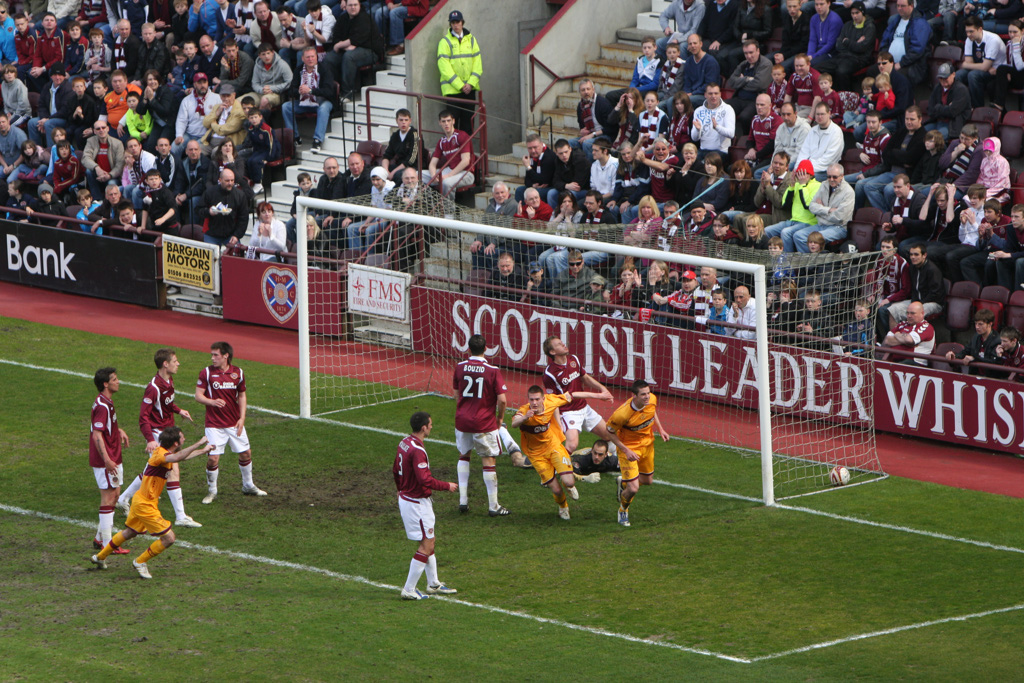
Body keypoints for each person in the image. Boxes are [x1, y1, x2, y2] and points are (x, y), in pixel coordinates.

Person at [91, 427, 213, 578]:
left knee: (130, 532)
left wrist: (203, 450)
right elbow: (178, 457)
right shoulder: (161, 455)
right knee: (169, 538)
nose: (184, 439)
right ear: (175, 443)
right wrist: (199, 443)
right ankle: (140, 561)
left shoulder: (164, 453)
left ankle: (100, 557)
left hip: (141, 500)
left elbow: (181, 457)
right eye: (182, 438)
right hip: (145, 504)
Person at [115, 348, 199, 528]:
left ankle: (122, 499)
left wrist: (179, 410)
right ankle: (180, 516)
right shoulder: (153, 388)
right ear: (165, 364)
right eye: (175, 361)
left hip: (168, 429)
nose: (178, 364)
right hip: (158, 433)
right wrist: (150, 439)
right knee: (172, 469)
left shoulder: (169, 381)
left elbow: (167, 403)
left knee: (152, 470)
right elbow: (143, 417)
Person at [511, 384, 611, 520]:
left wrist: (599, 396)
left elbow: (573, 395)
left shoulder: (551, 401)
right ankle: (563, 507)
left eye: (537, 399)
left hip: (554, 447)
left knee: (569, 482)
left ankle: (568, 486)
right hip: (536, 455)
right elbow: (514, 423)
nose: (534, 403)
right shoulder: (524, 411)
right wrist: (525, 418)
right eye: (531, 400)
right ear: (528, 400)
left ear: (543, 399)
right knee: (556, 490)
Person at [393, 411, 458, 600]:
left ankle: (433, 583)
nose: (431, 426)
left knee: (429, 540)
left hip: (408, 498)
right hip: (417, 503)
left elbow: (395, 469)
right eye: (430, 424)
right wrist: (447, 486)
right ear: (423, 428)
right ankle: (409, 589)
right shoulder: (417, 450)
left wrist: (399, 488)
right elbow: (424, 480)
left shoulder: (404, 443)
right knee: (426, 543)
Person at [194, 341, 267, 505]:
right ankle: (212, 491)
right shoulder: (206, 373)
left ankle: (248, 485)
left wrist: (242, 418)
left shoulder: (238, 373)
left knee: (246, 453)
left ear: (226, 356)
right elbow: (198, 395)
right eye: (212, 355)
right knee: (213, 459)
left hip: (234, 423)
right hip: (214, 424)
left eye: (216, 355)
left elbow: (242, 396)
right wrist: (212, 402)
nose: (212, 358)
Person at [453, 334, 509, 517]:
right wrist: (500, 418)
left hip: (462, 420)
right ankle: (493, 506)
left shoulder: (460, 367)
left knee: (464, 455)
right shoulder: (492, 370)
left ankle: (463, 501)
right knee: (488, 459)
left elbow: (456, 395)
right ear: (486, 348)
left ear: (469, 349)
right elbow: (502, 400)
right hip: (483, 422)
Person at [542, 335, 618, 457]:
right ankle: (555, 464)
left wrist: (602, 388)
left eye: (562, 342)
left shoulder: (574, 360)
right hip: (568, 412)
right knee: (572, 445)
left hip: (584, 407)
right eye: (559, 344)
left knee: (609, 434)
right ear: (552, 352)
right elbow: (553, 401)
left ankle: (616, 461)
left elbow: (585, 378)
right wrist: (559, 423)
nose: (563, 344)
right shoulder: (550, 374)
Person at [607, 380, 666, 528]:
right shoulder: (622, 414)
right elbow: (610, 432)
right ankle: (623, 510)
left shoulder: (652, 399)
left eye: (648, 393)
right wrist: (626, 450)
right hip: (629, 449)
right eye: (643, 394)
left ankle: (623, 483)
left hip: (647, 446)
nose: (647, 397)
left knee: (647, 481)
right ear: (634, 395)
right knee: (633, 489)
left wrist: (661, 429)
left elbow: (652, 412)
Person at [89, 366, 130, 554]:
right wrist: (106, 459)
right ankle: (107, 545)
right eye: (114, 379)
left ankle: (100, 538)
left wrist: (117, 430)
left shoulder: (106, 402)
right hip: (105, 459)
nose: (118, 381)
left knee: (115, 495)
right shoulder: (102, 406)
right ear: (105, 384)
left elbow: (103, 427)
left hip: (113, 454)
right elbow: (97, 434)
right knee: (108, 498)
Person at [325, 0, 382, 102]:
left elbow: (357, 39)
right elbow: (336, 37)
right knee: (329, 58)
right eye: (350, 5)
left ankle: (347, 93)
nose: (353, 7)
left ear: (359, 5)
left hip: (370, 51)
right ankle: (332, 91)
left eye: (355, 5)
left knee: (349, 57)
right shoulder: (343, 18)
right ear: (345, 6)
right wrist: (344, 46)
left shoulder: (365, 18)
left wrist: (339, 45)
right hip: (347, 50)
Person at [811, 1, 875, 91]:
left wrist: (847, 42)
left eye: (857, 13)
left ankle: (845, 96)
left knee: (841, 71)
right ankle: (825, 94)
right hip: (842, 56)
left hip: (859, 59)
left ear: (863, 13)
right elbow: (838, 45)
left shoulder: (869, 27)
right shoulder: (847, 25)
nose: (855, 16)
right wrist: (855, 43)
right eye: (852, 13)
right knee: (816, 68)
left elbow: (862, 48)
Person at [436, 9, 481, 134]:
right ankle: (454, 147)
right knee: (452, 127)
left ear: (462, 22)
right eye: (453, 23)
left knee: (468, 125)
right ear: (450, 24)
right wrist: (461, 85)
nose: (456, 25)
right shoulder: (444, 42)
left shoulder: (472, 40)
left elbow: (478, 64)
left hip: (469, 90)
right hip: (453, 91)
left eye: (458, 22)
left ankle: (467, 147)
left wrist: (470, 83)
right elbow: (444, 67)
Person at [875, 0, 932, 87]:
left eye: (902, 6)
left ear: (911, 6)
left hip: (911, 65)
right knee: (872, 71)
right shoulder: (895, 21)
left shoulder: (920, 23)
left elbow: (917, 50)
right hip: (891, 63)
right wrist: (885, 60)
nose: (899, 8)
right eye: (898, 6)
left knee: (895, 76)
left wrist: (901, 63)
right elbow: (885, 41)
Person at [421, 108, 475, 195]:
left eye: (448, 121)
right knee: (417, 174)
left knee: (446, 183)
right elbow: (433, 163)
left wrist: (448, 176)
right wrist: (433, 175)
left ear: (453, 121)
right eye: (443, 121)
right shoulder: (442, 141)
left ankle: (447, 204)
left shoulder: (462, 135)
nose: (446, 123)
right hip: (449, 170)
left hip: (466, 173)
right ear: (440, 123)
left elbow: (465, 161)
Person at [957, 16, 1005, 108]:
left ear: (980, 29)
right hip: (984, 69)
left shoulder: (993, 40)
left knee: (973, 75)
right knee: (958, 75)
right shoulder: (969, 39)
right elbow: (969, 63)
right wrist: (969, 65)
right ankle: (962, 105)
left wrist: (967, 65)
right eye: (967, 32)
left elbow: (982, 67)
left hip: (996, 71)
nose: (968, 34)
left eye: (971, 31)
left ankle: (978, 108)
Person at [725, 40, 772, 132]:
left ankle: (746, 137)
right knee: (722, 109)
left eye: (751, 52)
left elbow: (759, 84)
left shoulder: (766, 64)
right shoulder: (744, 64)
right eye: (746, 53)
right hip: (739, 98)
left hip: (755, 100)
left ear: (758, 51)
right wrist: (747, 79)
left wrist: (740, 82)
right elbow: (731, 82)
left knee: (745, 117)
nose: (749, 56)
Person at [802, 164, 853, 248]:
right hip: (821, 225)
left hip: (838, 228)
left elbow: (840, 217)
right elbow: (812, 206)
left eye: (834, 177)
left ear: (842, 176)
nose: (831, 179)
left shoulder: (848, 192)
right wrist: (828, 210)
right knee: (799, 235)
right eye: (829, 177)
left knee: (815, 238)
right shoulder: (823, 184)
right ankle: (808, 256)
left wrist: (820, 211)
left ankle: (816, 256)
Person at [198, 168, 250, 247]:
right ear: (220, 180)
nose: (230, 183)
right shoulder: (210, 192)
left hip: (231, 234)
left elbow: (244, 218)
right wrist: (208, 212)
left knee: (236, 253)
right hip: (211, 234)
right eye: (227, 181)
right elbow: (198, 210)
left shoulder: (240, 195)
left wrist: (237, 235)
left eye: (232, 180)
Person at [883, 300, 935, 365]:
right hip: (895, 359)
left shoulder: (926, 327)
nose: (909, 316)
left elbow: (909, 340)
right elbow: (887, 340)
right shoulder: (902, 324)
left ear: (922, 313)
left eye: (912, 313)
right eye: (907, 313)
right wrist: (904, 339)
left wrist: (896, 334)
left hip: (914, 363)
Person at [691, 83, 735, 156]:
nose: (713, 96)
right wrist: (697, 130)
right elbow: (694, 138)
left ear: (720, 94)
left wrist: (717, 127)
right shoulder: (698, 111)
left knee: (707, 162)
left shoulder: (728, 109)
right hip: (703, 150)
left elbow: (731, 134)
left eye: (716, 93)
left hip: (721, 151)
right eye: (710, 93)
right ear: (705, 95)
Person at [381, 108, 419, 181]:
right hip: (399, 166)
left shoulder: (415, 135)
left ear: (410, 121)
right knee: (378, 171)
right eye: (401, 120)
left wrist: (393, 173)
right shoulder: (395, 135)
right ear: (396, 121)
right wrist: (385, 171)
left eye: (406, 120)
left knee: (398, 175)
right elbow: (387, 155)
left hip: (413, 167)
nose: (403, 122)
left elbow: (411, 160)